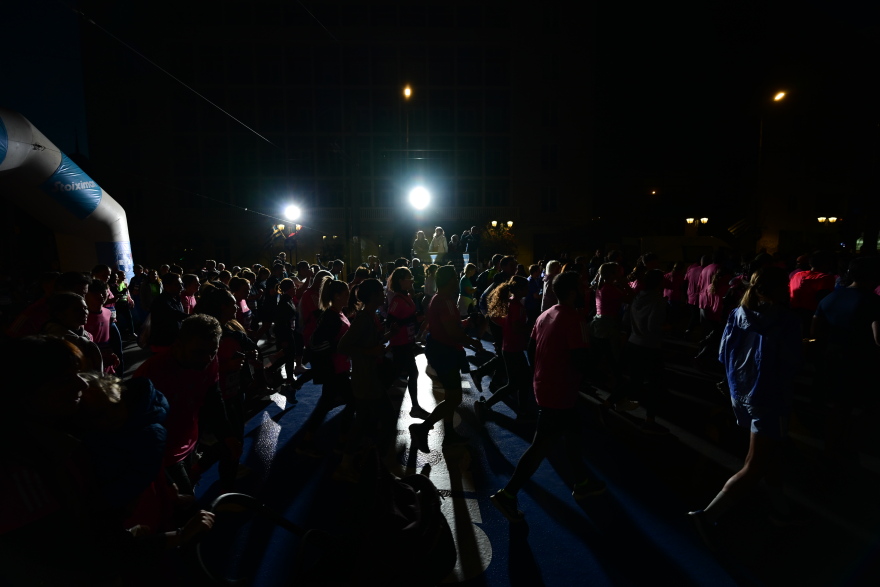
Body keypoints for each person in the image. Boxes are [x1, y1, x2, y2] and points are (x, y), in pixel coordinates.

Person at [689, 266, 802, 546]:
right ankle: (707, 516)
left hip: (741, 392)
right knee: (754, 464)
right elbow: (790, 364)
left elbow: (722, 353)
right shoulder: (786, 320)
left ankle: (781, 510)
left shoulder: (738, 314)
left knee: (767, 454)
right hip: (770, 397)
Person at [490, 272, 607, 523]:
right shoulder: (574, 320)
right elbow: (580, 360)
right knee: (541, 444)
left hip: (546, 384)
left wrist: (543, 371)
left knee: (573, 432)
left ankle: (582, 481)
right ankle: (507, 494)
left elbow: (532, 348)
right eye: (583, 286)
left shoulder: (546, 314)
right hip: (559, 390)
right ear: (573, 292)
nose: (587, 290)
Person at [134, 314, 241, 495]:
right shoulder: (151, 374)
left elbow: (212, 397)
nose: (207, 358)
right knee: (185, 507)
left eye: (213, 351)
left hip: (189, 442)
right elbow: (137, 430)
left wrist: (227, 435)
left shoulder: (209, 359)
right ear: (178, 344)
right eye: (198, 352)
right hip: (164, 455)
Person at [409, 265, 483, 453]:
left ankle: (448, 434)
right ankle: (423, 428)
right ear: (450, 280)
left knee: (451, 396)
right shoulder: (446, 301)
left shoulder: (438, 298)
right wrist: (472, 341)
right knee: (454, 397)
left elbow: (447, 326)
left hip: (440, 349)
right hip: (446, 352)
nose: (457, 280)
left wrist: (464, 324)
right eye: (455, 277)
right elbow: (453, 332)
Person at [474, 275, 536, 420]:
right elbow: (516, 326)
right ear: (520, 289)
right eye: (526, 287)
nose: (528, 289)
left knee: (523, 380)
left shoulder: (510, 302)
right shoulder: (516, 305)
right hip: (513, 348)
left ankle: (522, 409)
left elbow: (505, 323)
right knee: (514, 383)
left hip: (512, 347)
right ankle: (486, 406)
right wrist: (532, 329)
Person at [387, 267, 429, 418]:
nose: (412, 279)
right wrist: (411, 319)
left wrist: (415, 318)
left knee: (400, 372)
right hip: (400, 342)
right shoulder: (398, 299)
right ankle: (414, 407)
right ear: (400, 281)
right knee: (405, 372)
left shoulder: (407, 296)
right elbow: (391, 320)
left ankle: (414, 406)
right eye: (408, 277)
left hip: (407, 340)